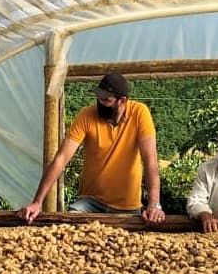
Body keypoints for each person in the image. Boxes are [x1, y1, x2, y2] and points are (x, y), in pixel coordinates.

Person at [18, 73, 164, 224]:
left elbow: (150, 161)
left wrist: (154, 204)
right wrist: (37, 201)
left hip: (127, 205)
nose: (101, 102)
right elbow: (61, 159)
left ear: (122, 101)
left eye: (106, 100)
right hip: (90, 202)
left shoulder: (140, 113)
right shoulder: (86, 115)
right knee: (71, 224)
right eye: (99, 97)